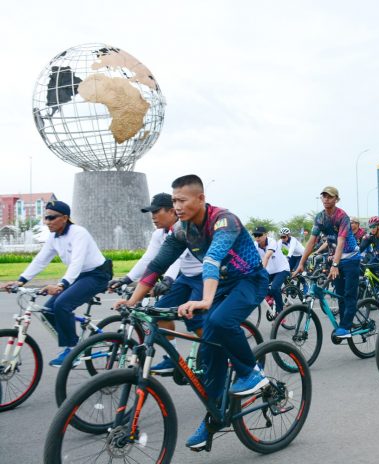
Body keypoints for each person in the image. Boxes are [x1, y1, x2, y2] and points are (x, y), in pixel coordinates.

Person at [114, 174, 268, 450]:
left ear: (201, 199)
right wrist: (133, 301)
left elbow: (212, 259)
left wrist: (206, 299)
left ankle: (252, 372)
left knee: (219, 320)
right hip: (222, 285)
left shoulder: (224, 220)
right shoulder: (182, 230)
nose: (177, 206)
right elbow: (157, 265)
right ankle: (214, 418)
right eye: (174, 201)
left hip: (249, 280)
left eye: (182, 200)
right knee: (209, 353)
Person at [1, 200, 112, 366]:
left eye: (51, 218)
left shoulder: (78, 233)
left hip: (97, 275)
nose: (47, 222)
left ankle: (72, 350)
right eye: (45, 218)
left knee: (61, 304)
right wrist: (21, 281)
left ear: (65, 218)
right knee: (48, 310)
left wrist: (61, 285)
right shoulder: (54, 237)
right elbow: (41, 260)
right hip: (79, 276)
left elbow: (77, 262)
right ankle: (72, 343)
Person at [109, 193, 204, 374]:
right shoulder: (158, 234)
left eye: (156, 212)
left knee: (195, 318)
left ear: (172, 212)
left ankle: (216, 355)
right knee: (160, 313)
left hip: (202, 276)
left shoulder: (185, 228)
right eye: (150, 212)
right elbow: (149, 259)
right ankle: (172, 357)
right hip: (185, 277)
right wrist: (126, 279)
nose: (152, 216)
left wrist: (168, 279)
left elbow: (177, 257)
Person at [294, 186, 360, 338]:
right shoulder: (320, 217)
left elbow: (341, 241)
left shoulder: (342, 216)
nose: (326, 199)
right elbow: (312, 241)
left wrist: (335, 265)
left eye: (329, 197)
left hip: (350, 258)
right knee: (339, 294)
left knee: (349, 294)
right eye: (323, 196)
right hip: (335, 258)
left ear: (336, 199)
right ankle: (345, 323)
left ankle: (345, 326)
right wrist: (301, 263)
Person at [253, 226, 291, 318]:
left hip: (282, 269)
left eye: (259, 235)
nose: (257, 238)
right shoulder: (255, 244)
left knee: (274, 288)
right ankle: (270, 295)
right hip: (270, 271)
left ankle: (280, 314)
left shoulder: (272, 242)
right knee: (256, 285)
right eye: (255, 235)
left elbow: (267, 256)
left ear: (265, 235)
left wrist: (261, 272)